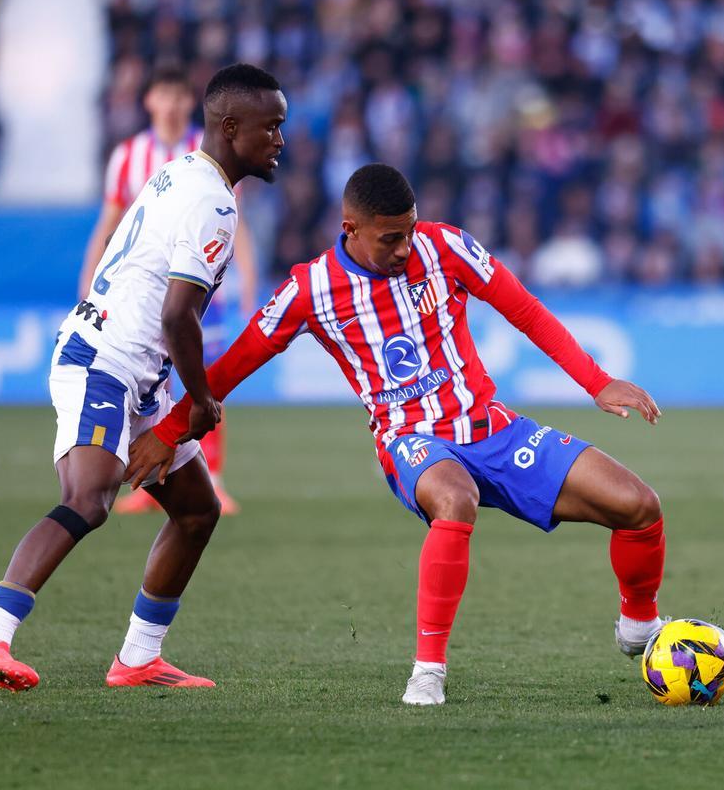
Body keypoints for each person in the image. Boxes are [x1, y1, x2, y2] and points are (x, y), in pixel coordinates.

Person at [127, 163, 667, 706]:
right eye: (391, 238)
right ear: (351, 229)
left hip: (493, 430)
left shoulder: (446, 246)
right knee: (456, 500)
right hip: (411, 440)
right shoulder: (309, 289)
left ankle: (639, 627)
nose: (406, 247)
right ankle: (427, 671)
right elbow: (231, 365)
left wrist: (596, 382)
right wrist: (169, 431)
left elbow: (523, 309)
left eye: (410, 230)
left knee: (639, 505)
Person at [0, 64, 286, 690]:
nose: (280, 139)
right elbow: (179, 314)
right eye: (271, 126)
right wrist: (204, 401)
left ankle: (137, 658)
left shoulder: (184, 171)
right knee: (89, 497)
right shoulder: (212, 201)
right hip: (102, 361)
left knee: (197, 510)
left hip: (139, 375)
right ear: (231, 127)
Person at [79, 65, 256, 516]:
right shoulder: (129, 156)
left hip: (197, 285)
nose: (173, 105)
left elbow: (237, 222)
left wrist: (248, 283)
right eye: (165, 95)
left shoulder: (212, 147)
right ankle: (149, 482)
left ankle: (212, 478)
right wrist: (89, 285)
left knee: (206, 375)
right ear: (150, 101)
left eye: (181, 96)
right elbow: (111, 222)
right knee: (148, 382)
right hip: (142, 290)